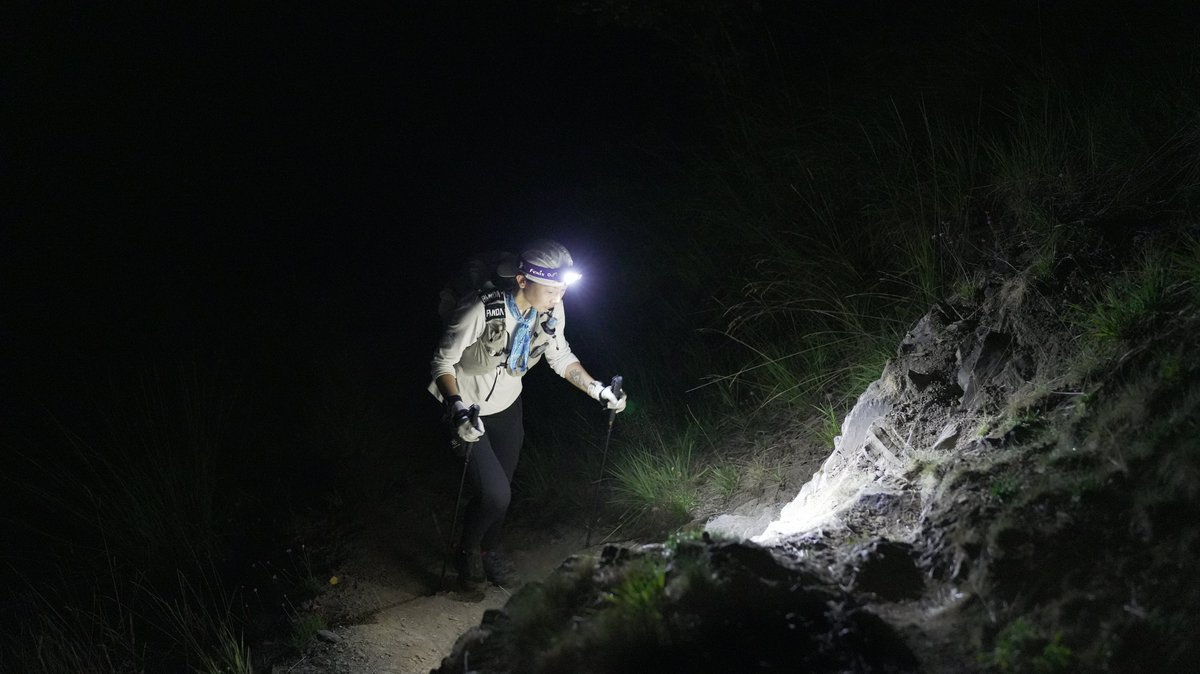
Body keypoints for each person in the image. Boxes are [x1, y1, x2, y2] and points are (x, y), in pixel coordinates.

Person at [428, 238, 627, 589]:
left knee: (502, 491)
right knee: (495, 494)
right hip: (468, 407)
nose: (558, 297)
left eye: (563, 289)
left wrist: (598, 390)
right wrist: (457, 409)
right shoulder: (480, 309)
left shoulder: (551, 309)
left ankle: (489, 553)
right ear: (523, 281)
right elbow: (442, 362)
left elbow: (560, 356)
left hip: (508, 406)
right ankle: (468, 551)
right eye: (551, 289)